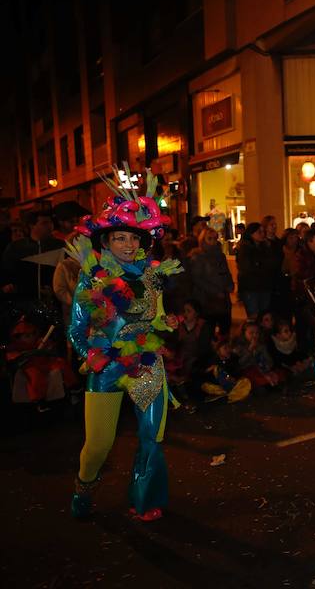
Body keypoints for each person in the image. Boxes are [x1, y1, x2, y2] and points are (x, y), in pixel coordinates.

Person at [67, 167, 183, 521]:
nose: (129, 245)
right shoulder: (92, 275)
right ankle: (83, 488)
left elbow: (156, 317)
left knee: (152, 437)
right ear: (106, 242)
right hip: (106, 366)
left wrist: (167, 323)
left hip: (146, 362)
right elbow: (75, 329)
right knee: (98, 447)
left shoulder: (152, 274)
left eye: (134, 238)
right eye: (120, 238)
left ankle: (145, 501)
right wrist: (93, 356)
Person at [2, 210, 65, 301]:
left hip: (54, 298)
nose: (50, 226)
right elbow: (7, 269)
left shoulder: (60, 245)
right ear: (32, 226)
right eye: (44, 223)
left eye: (51, 222)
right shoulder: (17, 247)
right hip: (24, 300)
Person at [189, 228, 234, 336]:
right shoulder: (198, 256)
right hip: (207, 299)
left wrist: (230, 284)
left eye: (215, 238)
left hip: (223, 299)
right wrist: (215, 291)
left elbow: (226, 272)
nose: (213, 241)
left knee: (225, 329)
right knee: (207, 331)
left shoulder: (220, 255)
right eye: (210, 238)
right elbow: (197, 278)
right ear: (203, 239)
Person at [236, 222, 273, 321]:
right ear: (251, 233)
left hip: (264, 286)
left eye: (263, 232)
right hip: (251, 287)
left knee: (264, 316)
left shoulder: (264, 247)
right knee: (254, 316)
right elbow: (246, 268)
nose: (262, 234)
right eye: (259, 232)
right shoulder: (245, 248)